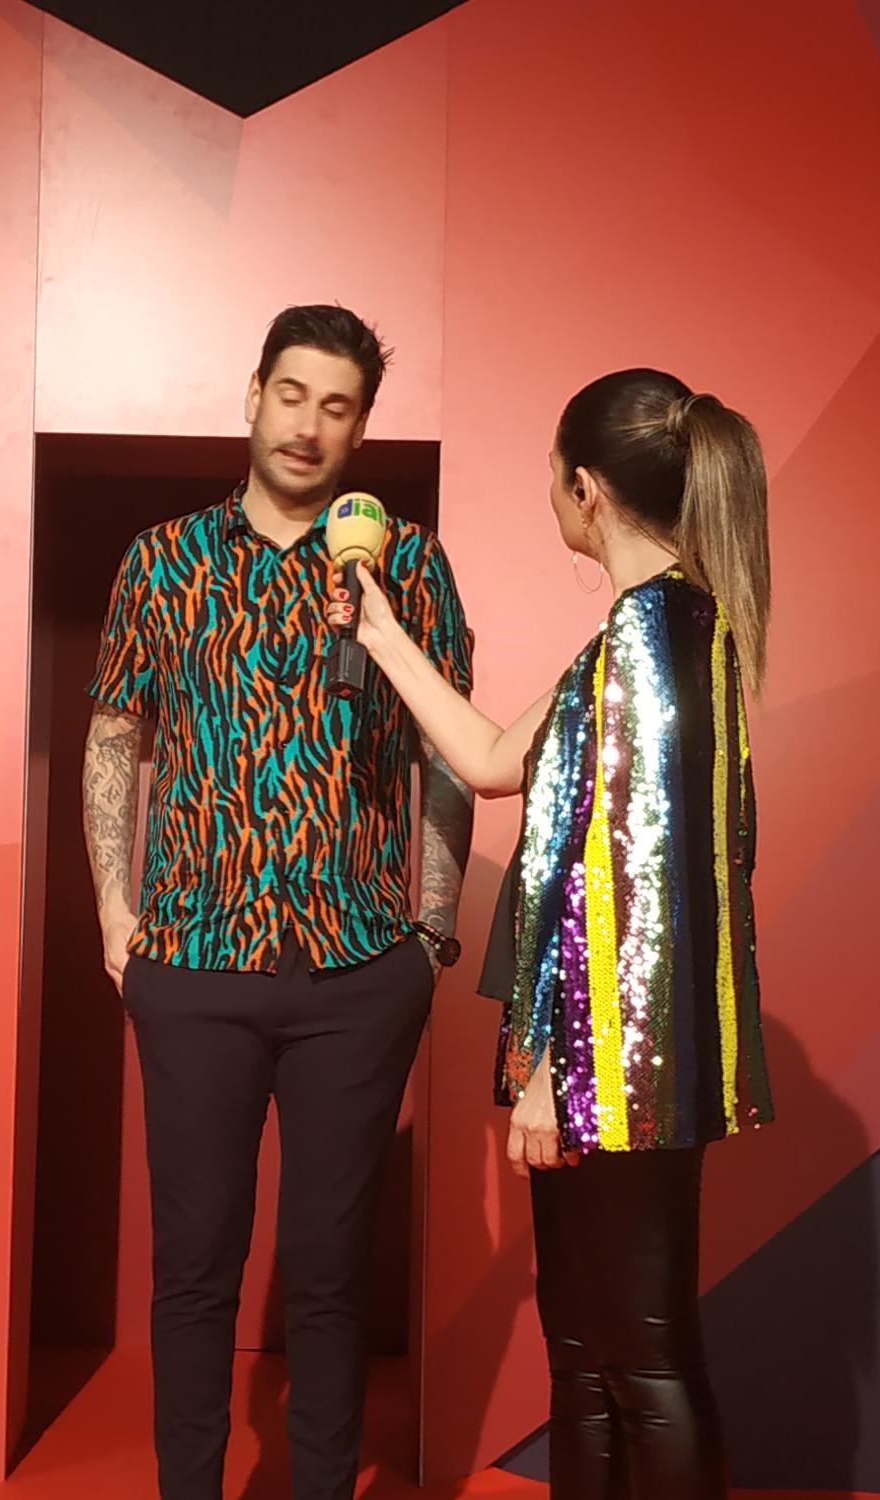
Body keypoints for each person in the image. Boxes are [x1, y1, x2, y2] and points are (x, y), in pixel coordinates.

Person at [329, 367, 774, 1498]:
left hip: (612, 1064)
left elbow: (622, 875)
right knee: (585, 1357)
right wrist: (380, 633)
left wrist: (553, 1070)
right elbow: (491, 762)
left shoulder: (647, 643)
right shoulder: (657, 633)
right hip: (620, 1057)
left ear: (585, 489)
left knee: (642, 1359)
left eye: (550, 476)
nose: (548, 496)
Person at [82, 304, 475, 1500]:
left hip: (358, 970)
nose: (308, 425)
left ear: (360, 431)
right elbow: (114, 734)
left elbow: (448, 751)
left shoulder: (405, 565)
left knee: (328, 1270)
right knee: (194, 1268)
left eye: (336, 407)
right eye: (292, 395)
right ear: (253, 396)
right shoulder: (160, 559)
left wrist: (430, 930)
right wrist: (114, 914)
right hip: (193, 962)